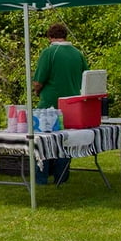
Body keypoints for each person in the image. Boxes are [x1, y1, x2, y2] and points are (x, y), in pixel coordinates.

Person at [32, 23, 88, 185]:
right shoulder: (77, 53)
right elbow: (86, 76)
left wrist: (37, 91)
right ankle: (61, 176)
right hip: (73, 104)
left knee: (43, 142)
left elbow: (38, 81)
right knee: (65, 142)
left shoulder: (49, 52)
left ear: (50, 37)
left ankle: (41, 177)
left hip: (50, 105)